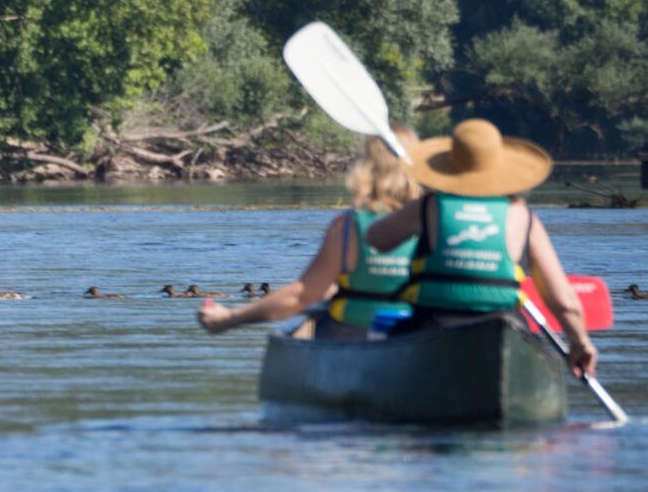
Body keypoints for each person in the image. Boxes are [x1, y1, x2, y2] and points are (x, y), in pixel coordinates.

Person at [365, 118, 597, 377]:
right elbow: (565, 303)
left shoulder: (429, 205)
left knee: (382, 331)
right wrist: (580, 343)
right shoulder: (522, 215)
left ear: (450, 168)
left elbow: (376, 238)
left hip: (433, 328)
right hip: (505, 327)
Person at [196, 125, 422, 337]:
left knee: (309, 321)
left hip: (356, 335)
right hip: (421, 332)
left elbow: (302, 295)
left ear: (365, 167)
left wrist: (229, 318)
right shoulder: (436, 218)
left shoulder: (349, 225)